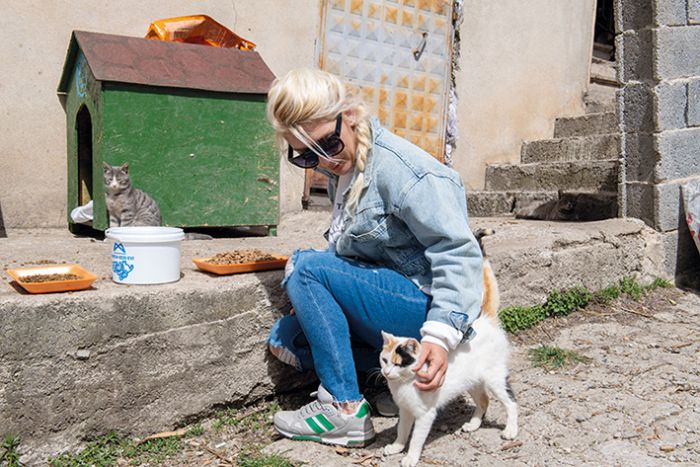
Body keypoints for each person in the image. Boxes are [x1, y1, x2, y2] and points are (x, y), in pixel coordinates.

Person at [265, 68, 483, 447]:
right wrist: (316, 298)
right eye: (304, 157)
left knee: (304, 266)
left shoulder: (407, 171)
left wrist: (440, 336)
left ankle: (343, 410)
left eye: (327, 144)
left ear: (348, 114)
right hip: (390, 304)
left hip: (426, 307)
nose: (322, 162)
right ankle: (394, 386)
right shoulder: (345, 166)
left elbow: (458, 253)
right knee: (287, 338)